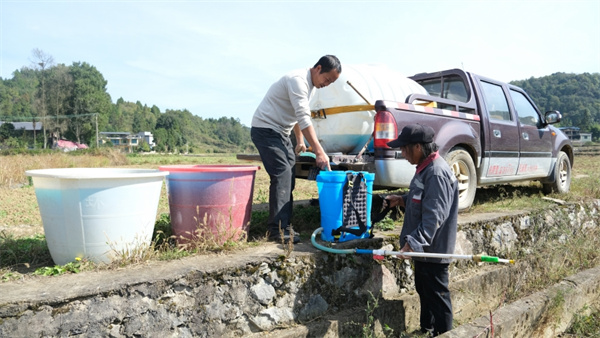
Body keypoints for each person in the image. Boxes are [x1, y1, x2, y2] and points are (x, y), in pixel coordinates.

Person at [251, 55, 341, 244]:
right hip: (265, 129)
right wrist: (319, 151)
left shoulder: (313, 86)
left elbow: (299, 114)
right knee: (282, 173)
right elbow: (303, 117)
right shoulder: (297, 81)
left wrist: (299, 139)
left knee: (289, 174)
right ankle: (277, 230)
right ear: (318, 68)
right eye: (327, 79)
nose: (327, 84)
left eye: (332, 82)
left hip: (281, 132)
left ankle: (284, 224)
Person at [384, 124, 459, 336]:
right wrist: (401, 200)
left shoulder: (436, 173)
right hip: (424, 250)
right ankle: (428, 329)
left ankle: (444, 334)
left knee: (437, 295)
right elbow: (423, 201)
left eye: (404, 148)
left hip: (433, 249)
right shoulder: (426, 168)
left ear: (418, 146)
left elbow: (433, 216)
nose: (402, 153)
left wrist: (413, 243)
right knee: (424, 291)